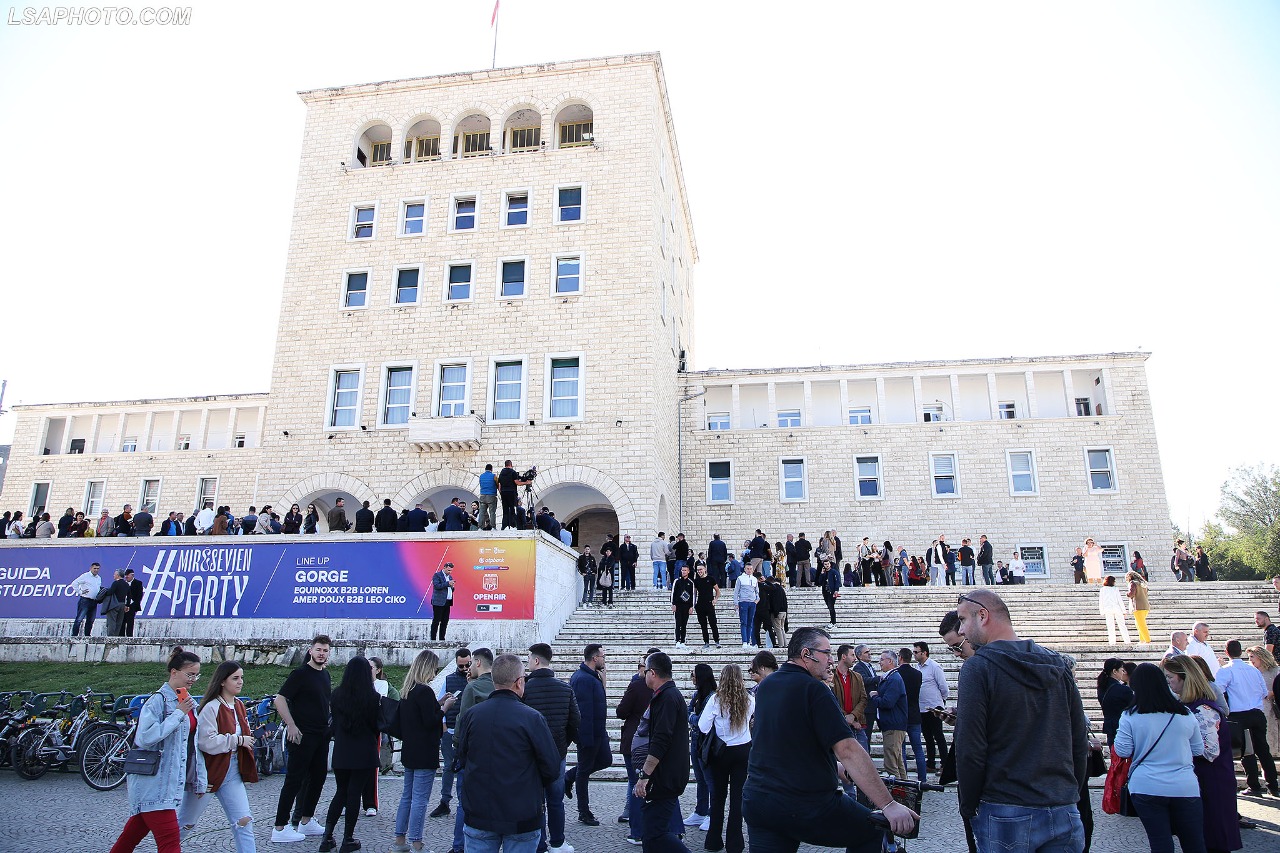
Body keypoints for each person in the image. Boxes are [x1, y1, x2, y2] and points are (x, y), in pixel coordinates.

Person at [744, 627, 917, 851]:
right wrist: (889, 804)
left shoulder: (768, 685)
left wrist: (832, 766)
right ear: (806, 654)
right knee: (872, 831)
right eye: (826, 653)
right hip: (805, 803)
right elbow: (848, 749)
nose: (831, 660)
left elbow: (786, 742)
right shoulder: (815, 689)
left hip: (759, 800)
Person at [955, 589, 1088, 852]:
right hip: (1062, 805)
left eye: (962, 620)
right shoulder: (1058, 665)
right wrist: (1069, 793)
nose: (960, 631)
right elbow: (1078, 739)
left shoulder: (978, 668)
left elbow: (970, 746)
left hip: (1005, 805)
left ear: (982, 616)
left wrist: (968, 805)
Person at [457, 653, 561, 853]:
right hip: (521, 814)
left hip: (480, 811)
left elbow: (462, 756)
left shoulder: (472, 715)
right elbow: (551, 767)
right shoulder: (532, 718)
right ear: (519, 682)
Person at [109, 647, 205, 853]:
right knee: (170, 843)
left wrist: (199, 779)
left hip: (170, 784)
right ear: (174, 672)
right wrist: (177, 714)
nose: (193, 680)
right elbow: (145, 738)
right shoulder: (157, 701)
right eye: (190, 674)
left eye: (196, 675)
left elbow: (191, 746)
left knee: (130, 838)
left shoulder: (187, 701)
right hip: (154, 785)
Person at [1114, 662, 1207, 853]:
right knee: (1194, 843)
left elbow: (1122, 751)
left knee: (1160, 842)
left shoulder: (1130, 716)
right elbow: (1198, 749)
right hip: (1184, 785)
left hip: (1146, 785)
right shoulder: (1185, 713)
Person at [1162, 655, 1242, 853]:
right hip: (1200, 781)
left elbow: (1210, 751)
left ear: (1184, 677)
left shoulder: (1203, 709)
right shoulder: (1190, 706)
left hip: (1211, 782)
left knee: (1213, 840)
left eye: (1170, 677)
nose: (1168, 682)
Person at [181, 660, 258, 853]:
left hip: (233, 770)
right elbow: (206, 742)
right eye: (235, 678)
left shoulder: (239, 705)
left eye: (241, 678)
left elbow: (243, 736)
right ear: (222, 681)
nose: (240, 682)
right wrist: (237, 740)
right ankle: (166, 848)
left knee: (244, 821)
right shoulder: (211, 707)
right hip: (209, 771)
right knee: (186, 823)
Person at [272, 635, 332, 842]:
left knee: (318, 778)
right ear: (310, 651)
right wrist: (291, 724)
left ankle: (306, 821)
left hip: (321, 735)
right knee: (294, 780)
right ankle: (280, 827)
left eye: (325, 650)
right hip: (302, 735)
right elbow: (280, 699)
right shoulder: (300, 674)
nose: (321, 654)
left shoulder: (325, 675)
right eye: (318, 649)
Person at [393, 650, 453, 853]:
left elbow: (420, 715)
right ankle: (417, 843)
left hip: (410, 750)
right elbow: (430, 721)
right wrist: (445, 708)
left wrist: (439, 702)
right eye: (434, 668)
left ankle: (400, 840)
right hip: (425, 751)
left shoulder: (408, 691)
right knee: (420, 799)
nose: (435, 672)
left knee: (407, 797)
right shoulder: (424, 691)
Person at [632, 650, 692, 852]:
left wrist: (645, 775)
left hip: (665, 776)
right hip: (667, 774)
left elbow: (661, 740)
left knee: (654, 835)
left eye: (645, 670)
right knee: (652, 835)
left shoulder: (667, 698)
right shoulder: (667, 695)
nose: (643, 675)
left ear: (653, 673)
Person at [521, 643, 579, 853]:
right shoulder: (565, 688)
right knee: (556, 800)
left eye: (529, 659)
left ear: (536, 660)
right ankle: (558, 842)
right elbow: (575, 722)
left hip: (530, 755)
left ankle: (539, 844)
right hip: (557, 753)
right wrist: (563, 744)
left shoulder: (524, 688)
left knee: (534, 801)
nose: (528, 662)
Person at [698, 664, 754, 853]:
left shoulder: (716, 700)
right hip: (743, 749)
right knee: (737, 798)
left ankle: (713, 841)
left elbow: (703, 726)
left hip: (721, 751)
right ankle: (735, 844)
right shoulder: (749, 699)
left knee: (718, 797)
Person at [1215, 639, 1278, 796]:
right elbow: (1263, 692)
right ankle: (1273, 786)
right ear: (1241, 651)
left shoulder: (1226, 670)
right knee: (1263, 749)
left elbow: (1217, 691)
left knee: (1246, 751)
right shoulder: (1253, 670)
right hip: (1256, 713)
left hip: (1238, 714)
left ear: (1226, 652)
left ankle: (1254, 786)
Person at [566, 643, 610, 826]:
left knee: (605, 760)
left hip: (598, 731)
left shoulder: (593, 677)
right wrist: (585, 738)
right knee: (584, 772)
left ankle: (569, 777)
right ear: (594, 658)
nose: (604, 660)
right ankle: (584, 812)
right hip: (589, 734)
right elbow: (582, 712)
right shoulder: (582, 679)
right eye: (603, 657)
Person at [429, 648, 471, 819]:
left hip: (468, 732)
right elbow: (441, 702)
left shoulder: (475, 681)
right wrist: (444, 726)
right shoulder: (449, 679)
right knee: (448, 767)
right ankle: (445, 802)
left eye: (467, 665)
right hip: (450, 729)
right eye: (461, 666)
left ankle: (465, 802)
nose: (465, 669)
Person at [684, 663, 716, 832]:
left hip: (707, 741)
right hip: (696, 739)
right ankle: (700, 811)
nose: (692, 677)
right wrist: (693, 717)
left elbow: (700, 719)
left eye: (693, 674)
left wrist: (693, 717)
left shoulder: (712, 696)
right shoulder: (697, 694)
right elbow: (688, 712)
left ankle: (712, 813)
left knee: (709, 779)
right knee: (700, 778)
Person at [868, 650, 909, 780]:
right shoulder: (891, 677)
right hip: (893, 724)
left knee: (891, 764)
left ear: (890, 661)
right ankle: (905, 789)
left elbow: (887, 702)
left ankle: (898, 790)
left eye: (882, 659)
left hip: (893, 725)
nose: (879, 662)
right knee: (897, 762)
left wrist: (874, 697)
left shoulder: (894, 678)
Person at [913, 642, 949, 774]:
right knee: (927, 736)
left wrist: (941, 701)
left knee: (938, 735)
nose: (914, 654)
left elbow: (943, 687)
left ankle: (945, 764)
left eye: (916, 652)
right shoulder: (917, 668)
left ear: (924, 653)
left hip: (934, 707)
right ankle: (931, 763)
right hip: (922, 707)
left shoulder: (934, 666)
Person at [832, 645, 869, 753]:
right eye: (852, 655)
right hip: (838, 725)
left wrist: (853, 715)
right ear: (844, 657)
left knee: (863, 757)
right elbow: (831, 701)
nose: (855, 658)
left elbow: (863, 699)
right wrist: (846, 718)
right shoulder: (830, 676)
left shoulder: (858, 677)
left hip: (857, 725)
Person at [1246, 645, 1280, 759]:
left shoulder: (1275, 670)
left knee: (1272, 728)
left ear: (1261, 657)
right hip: (1255, 705)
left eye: (1252, 656)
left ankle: (1274, 752)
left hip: (1271, 705)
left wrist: (1272, 692)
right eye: (1249, 657)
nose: (1250, 659)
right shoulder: (1250, 671)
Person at [1096, 658, 1134, 747]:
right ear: (1114, 671)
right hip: (1123, 727)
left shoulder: (1101, 688)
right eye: (1122, 670)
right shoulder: (1123, 690)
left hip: (1109, 727)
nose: (1123, 673)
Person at [71, 561, 103, 637]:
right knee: (79, 619)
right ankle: (74, 635)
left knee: (91, 620)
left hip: (94, 601)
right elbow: (74, 583)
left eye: (98, 568)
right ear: (91, 568)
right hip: (85, 600)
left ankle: (87, 636)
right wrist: (80, 592)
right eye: (94, 568)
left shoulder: (99, 578)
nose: (96, 570)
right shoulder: (85, 576)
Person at [693, 563, 721, 648]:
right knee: (703, 625)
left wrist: (715, 599)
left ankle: (717, 641)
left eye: (701, 569)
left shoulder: (711, 579)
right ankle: (706, 642)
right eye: (698, 570)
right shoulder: (696, 581)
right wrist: (694, 604)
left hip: (709, 604)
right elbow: (694, 593)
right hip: (700, 605)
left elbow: (718, 591)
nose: (699, 571)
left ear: (705, 569)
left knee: (713, 623)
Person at [498, 460, 530, 530]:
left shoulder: (501, 473)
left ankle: (504, 526)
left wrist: (501, 492)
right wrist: (526, 482)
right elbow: (517, 483)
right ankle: (513, 526)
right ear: (511, 465)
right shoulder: (513, 472)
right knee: (513, 510)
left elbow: (499, 485)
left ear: (505, 465)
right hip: (511, 493)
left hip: (503, 493)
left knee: (505, 510)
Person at [1099, 575, 1131, 645]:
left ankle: (1112, 642)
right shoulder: (1115, 589)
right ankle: (1127, 641)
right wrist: (1124, 610)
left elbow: (1101, 601)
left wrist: (1102, 611)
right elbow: (1119, 600)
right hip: (1117, 608)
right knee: (1122, 625)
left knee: (1110, 626)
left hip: (1107, 609)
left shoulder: (1102, 590)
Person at [734, 564, 759, 649]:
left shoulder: (754, 579)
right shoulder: (740, 578)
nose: (749, 570)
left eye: (751, 569)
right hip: (743, 602)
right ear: (745, 569)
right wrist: (736, 603)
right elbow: (736, 591)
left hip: (752, 602)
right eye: (747, 569)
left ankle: (748, 642)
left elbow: (757, 591)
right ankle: (744, 641)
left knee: (750, 623)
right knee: (744, 622)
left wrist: (756, 600)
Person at [103, 567, 132, 637]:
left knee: (112, 621)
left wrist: (104, 591)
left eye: (115, 574)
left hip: (114, 604)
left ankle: (111, 636)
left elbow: (110, 592)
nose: (113, 575)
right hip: (122, 605)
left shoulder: (116, 583)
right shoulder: (126, 584)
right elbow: (129, 595)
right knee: (119, 622)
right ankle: (116, 636)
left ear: (118, 575)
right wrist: (127, 605)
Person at [671, 563, 694, 648]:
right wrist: (673, 604)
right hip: (678, 606)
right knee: (678, 623)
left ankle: (683, 641)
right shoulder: (677, 581)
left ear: (688, 571)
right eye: (682, 570)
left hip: (686, 606)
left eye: (685, 570)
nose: (683, 572)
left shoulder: (691, 583)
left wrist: (691, 606)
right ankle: (677, 640)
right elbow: (673, 593)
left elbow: (692, 595)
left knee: (684, 624)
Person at [430, 562, 455, 641]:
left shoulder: (450, 577)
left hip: (447, 601)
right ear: (444, 568)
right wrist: (447, 583)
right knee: (436, 621)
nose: (450, 572)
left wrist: (452, 586)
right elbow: (437, 586)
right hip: (438, 602)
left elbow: (450, 589)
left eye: (451, 570)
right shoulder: (437, 575)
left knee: (445, 621)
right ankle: (433, 639)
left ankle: (442, 639)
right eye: (448, 570)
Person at [1128, 570, 1152, 643]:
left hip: (1138, 606)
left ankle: (1147, 640)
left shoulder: (1133, 583)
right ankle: (1142, 640)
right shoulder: (1142, 583)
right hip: (1145, 606)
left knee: (1141, 625)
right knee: (1139, 624)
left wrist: (1127, 594)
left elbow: (1131, 594)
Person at [123, 569, 144, 637]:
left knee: (130, 622)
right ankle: (121, 636)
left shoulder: (138, 583)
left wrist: (133, 604)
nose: (126, 577)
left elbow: (139, 595)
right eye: (125, 576)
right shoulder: (123, 583)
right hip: (123, 605)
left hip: (132, 606)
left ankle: (129, 637)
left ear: (132, 575)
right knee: (122, 622)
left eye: (128, 575)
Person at [476, 464, 498, 530]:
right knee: (492, 512)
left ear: (485, 469)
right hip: (491, 496)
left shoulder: (481, 476)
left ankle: (480, 527)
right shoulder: (494, 476)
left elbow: (481, 484)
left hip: (482, 496)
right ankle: (493, 527)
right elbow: (497, 484)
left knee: (482, 513)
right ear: (491, 469)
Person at [820, 558, 840, 628]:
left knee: (831, 606)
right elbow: (820, 582)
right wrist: (822, 574)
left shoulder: (834, 572)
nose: (827, 565)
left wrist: (836, 590)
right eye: (825, 564)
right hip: (825, 592)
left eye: (828, 564)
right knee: (829, 606)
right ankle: (832, 621)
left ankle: (833, 622)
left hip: (832, 592)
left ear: (830, 564)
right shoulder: (824, 573)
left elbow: (837, 581)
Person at [597, 544, 618, 608]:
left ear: (611, 552)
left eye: (608, 551)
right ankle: (604, 601)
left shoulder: (612, 558)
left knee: (610, 589)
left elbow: (610, 565)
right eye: (606, 551)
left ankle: (610, 602)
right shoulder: (603, 558)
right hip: (604, 575)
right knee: (604, 589)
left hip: (610, 575)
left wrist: (606, 565)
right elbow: (601, 565)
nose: (607, 552)